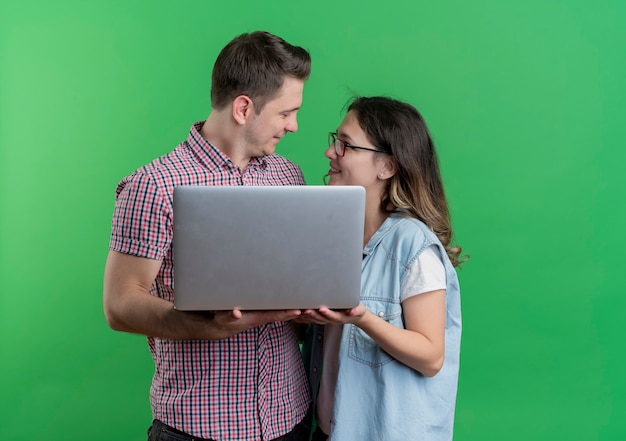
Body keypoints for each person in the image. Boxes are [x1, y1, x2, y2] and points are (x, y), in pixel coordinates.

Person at [103, 31, 312, 441]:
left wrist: (310, 309)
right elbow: (120, 305)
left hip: (290, 416)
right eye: (286, 113)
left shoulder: (289, 176)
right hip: (199, 428)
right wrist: (210, 327)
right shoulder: (154, 186)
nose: (294, 126)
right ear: (243, 108)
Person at [300, 96, 467, 441]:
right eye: (335, 142)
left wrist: (361, 318)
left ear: (387, 167)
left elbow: (431, 355)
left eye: (345, 145)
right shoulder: (331, 237)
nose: (330, 153)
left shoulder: (413, 245)